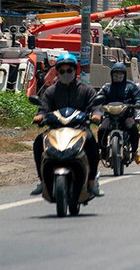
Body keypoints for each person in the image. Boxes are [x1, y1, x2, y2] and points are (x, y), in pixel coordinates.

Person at [30, 52, 101, 198]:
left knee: (92, 143)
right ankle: (42, 181)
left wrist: (96, 115)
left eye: (69, 70)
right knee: (38, 142)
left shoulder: (86, 90)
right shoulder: (50, 91)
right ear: (57, 72)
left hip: (80, 129)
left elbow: (95, 106)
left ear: (75, 71)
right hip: (55, 130)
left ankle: (92, 181)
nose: (66, 74)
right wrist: (40, 116)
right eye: (62, 71)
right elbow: (43, 108)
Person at [91, 61, 140, 166]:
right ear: (111, 75)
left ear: (124, 74)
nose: (118, 76)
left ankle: (134, 152)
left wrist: (137, 103)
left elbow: (137, 98)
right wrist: (97, 106)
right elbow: (99, 98)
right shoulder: (106, 87)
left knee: (133, 128)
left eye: (120, 73)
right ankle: (103, 151)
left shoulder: (131, 86)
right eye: (115, 73)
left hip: (125, 116)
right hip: (110, 116)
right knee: (101, 130)